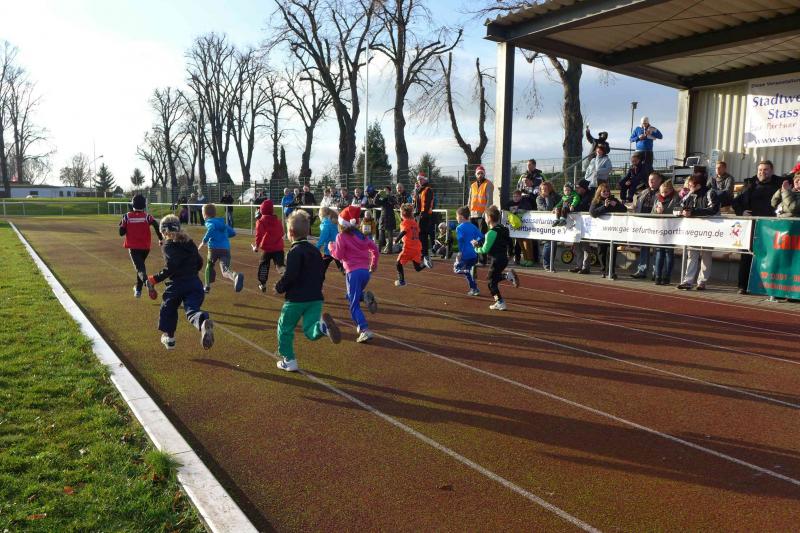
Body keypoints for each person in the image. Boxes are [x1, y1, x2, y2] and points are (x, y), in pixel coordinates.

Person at [273, 211, 341, 372]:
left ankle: (289, 360)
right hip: (315, 298)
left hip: (296, 299)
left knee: (285, 328)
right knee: (310, 329)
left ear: (290, 232)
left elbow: (291, 275)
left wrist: (279, 287)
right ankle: (322, 328)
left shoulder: (294, 252)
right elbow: (320, 273)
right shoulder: (315, 251)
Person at [147, 215, 214, 351]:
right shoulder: (190, 243)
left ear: (164, 231)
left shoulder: (168, 245)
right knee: (192, 310)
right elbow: (199, 262)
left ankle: (169, 338)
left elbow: (171, 267)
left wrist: (155, 279)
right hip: (195, 283)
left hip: (177, 285)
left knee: (168, 308)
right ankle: (202, 321)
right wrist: (191, 271)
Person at [329, 205, 380, 343]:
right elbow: (375, 249)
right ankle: (365, 297)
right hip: (364, 273)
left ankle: (364, 329)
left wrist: (331, 248)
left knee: (353, 305)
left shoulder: (341, 236)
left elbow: (339, 255)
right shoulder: (362, 236)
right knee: (351, 295)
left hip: (353, 273)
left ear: (341, 224)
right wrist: (373, 264)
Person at [733, 160, 782, 294]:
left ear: (771, 171)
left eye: (765, 170)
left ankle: (768, 287)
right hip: (751, 226)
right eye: (760, 170)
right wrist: (741, 212)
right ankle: (742, 286)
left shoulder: (779, 184)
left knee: (770, 256)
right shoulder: (750, 184)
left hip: (771, 227)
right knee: (746, 256)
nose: (762, 172)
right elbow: (736, 202)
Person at [676, 173, 719, 290]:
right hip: (693, 230)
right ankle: (688, 281)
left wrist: (693, 212)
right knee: (691, 255)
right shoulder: (689, 194)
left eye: (691, 185)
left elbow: (713, 209)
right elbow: (679, 205)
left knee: (706, 256)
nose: (689, 187)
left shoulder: (710, 193)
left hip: (708, 230)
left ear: (698, 185)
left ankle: (702, 281)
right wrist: (682, 211)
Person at [471, 205, 519, 311]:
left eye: (485, 216)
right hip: (503, 259)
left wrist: (475, 248)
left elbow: (485, 249)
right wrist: (511, 253)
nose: (484, 218)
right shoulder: (503, 228)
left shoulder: (491, 233)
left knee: (490, 282)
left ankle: (500, 302)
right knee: (494, 278)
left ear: (489, 218)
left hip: (496, 260)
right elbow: (509, 242)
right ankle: (508, 276)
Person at [119, 194, 163, 299]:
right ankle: (138, 290)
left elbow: (121, 232)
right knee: (140, 267)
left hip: (133, 247)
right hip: (145, 247)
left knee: (140, 269)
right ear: (144, 205)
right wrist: (160, 238)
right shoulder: (147, 216)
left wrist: (125, 225)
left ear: (132, 204)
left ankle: (147, 282)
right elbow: (156, 225)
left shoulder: (127, 216)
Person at [198, 203, 244, 294]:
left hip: (213, 249)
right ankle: (235, 276)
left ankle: (207, 286)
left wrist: (204, 241)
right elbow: (233, 232)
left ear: (205, 215)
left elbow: (211, 228)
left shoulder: (209, 222)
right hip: (225, 249)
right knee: (225, 270)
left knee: (209, 265)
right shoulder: (223, 223)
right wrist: (225, 236)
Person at [630, 171, 663, 279]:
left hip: (657, 225)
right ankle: (642, 271)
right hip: (644, 224)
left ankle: (656, 273)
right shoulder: (643, 192)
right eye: (649, 180)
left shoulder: (663, 192)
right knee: (644, 248)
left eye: (653, 179)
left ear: (659, 181)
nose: (651, 181)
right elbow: (636, 205)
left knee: (657, 249)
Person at [589, 182, 626, 279]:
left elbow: (624, 209)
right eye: (604, 191)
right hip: (601, 231)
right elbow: (592, 213)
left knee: (612, 251)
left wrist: (616, 205)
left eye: (608, 191)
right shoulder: (596, 201)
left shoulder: (614, 200)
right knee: (602, 251)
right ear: (599, 192)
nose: (606, 193)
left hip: (613, 231)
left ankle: (611, 271)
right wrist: (604, 206)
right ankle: (603, 270)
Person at [252, 199, 285, 292]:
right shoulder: (278, 221)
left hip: (267, 248)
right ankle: (287, 276)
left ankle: (263, 284)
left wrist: (256, 246)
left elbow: (259, 235)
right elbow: (282, 233)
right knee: (280, 266)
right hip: (278, 248)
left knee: (263, 266)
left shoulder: (261, 221)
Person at [394, 203, 430, 287]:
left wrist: (396, 240)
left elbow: (404, 232)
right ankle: (425, 263)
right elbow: (416, 232)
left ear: (403, 214)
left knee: (398, 264)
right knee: (417, 268)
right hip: (417, 247)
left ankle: (401, 281)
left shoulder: (404, 223)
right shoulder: (414, 223)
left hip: (408, 248)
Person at [652, 180, 680, 285]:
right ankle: (657, 276)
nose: (663, 194)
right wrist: (656, 211)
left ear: (671, 190)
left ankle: (667, 276)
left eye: (666, 192)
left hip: (671, 228)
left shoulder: (676, 198)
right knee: (659, 252)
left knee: (669, 253)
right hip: (660, 228)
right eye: (662, 192)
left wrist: (664, 211)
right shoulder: (657, 198)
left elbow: (677, 211)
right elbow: (652, 212)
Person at [453, 206, 483, 295]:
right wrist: (476, 241)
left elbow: (461, 241)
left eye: (456, 216)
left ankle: (468, 272)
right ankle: (474, 289)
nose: (456, 218)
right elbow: (481, 236)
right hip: (474, 254)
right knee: (468, 273)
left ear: (461, 217)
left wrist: (460, 253)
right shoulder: (473, 226)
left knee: (456, 269)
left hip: (465, 254)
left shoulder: (459, 228)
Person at [566, 180, 593, 274]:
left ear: (584, 188)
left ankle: (586, 267)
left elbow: (581, 206)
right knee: (577, 246)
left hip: (586, 225)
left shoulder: (589, 196)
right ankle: (579, 266)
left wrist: (571, 207)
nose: (576, 189)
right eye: (576, 187)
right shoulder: (576, 195)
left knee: (585, 247)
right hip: (577, 223)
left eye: (578, 187)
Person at [469, 165, 493, 264]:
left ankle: (482, 260)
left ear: (484, 174)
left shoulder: (488, 184)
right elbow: (470, 199)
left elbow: (489, 200)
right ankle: (474, 258)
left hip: (482, 215)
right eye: (478, 173)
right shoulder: (472, 185)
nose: (480, 175)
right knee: (473, 237)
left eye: (481, 173)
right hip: (473, 215)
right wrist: (468, 212)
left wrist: (485, 213)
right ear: (476, 174)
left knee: (481, 237)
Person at [505, 189, 534, 266]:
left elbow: (527, 209)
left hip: (525, 227)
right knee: (521, 243)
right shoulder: (510, 203)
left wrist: (517, 210)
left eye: (517, 196)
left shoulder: (524, 202)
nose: (515, 198)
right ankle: (525, 259)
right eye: (514, 196)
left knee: (527, 243)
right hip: (517, 228)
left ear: (520, 197)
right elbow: (505, 209)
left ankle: (530, 259)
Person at [537, 181, 560, 271]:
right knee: (548, 243)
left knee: (554, 244)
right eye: (542, 189)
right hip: (545, 224)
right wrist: (547, 197)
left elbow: (561, 203)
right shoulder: (539, 198)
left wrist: (557, 208)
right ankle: (546, 264)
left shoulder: (556, 196)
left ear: (550, 189)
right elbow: (547, 208)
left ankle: (551, 263)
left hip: (555, 224)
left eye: (546, 189)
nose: (544, 191)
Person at [413, 172, 435, 267]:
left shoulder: (427, 189)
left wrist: (422, 215)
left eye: (421, 179)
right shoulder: (419, 190)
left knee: (424, 235)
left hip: (425, 216)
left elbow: (426, 204)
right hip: (419, 215)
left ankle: (425, 254)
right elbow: (416, 204)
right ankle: (423, 253)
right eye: (418, 179)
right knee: (420, 236)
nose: (419, 181)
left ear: (425, 179)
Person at [317, 206, 343, 277]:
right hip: (337, 249)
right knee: (342, 268)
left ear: (321, 216)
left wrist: (316, 248)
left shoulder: (326, 225)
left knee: (322, 269)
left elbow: (322, 239)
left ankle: (318, 281)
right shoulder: (333, 223)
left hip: (329, 250)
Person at [374, 185, 398, 253]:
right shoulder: (382, 198)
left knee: (390, 234)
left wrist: (388, 195)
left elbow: (394, 202)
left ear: (390, 191)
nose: (384, 191)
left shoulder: (392, 197)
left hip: (390, 217)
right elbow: (375, 202)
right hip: (383, 217)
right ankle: (379, 250)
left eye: (386, 190)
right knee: (381, 234)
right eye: (384, 190)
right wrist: (378, 195)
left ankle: (389, 250)